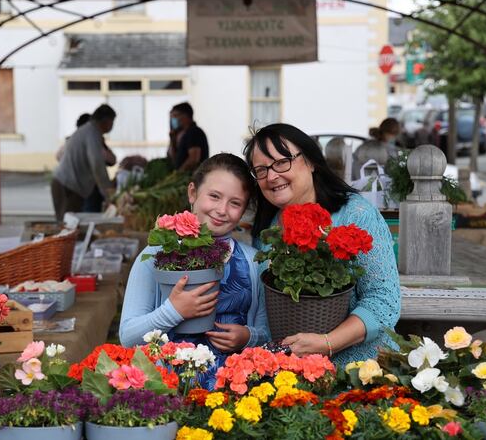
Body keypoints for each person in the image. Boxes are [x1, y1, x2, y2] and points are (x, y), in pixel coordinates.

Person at [244, 123, 400, 367]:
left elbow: (384, 302)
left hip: (361, 370)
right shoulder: (267, 229)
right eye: (261, 170)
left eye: (281, 162)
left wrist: (328, 343)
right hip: (290, 371)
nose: (272, 176)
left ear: (311, 161)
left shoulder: (356, 214)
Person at [119, 153, 270, 389]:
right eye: (214, 196)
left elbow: (267, 332)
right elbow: (128, 336)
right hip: (166, 392)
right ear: (193, 193)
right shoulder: (156, 255)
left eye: (235, 203)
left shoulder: (253, 262)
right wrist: (174, 311)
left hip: (234, 396)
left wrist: (248, 336)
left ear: (244, 210)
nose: (222, 210)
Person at [51, 104, 116, 221]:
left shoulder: (89, 131)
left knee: (68, 225)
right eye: (112, 122)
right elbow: (97, 165)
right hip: (67, 187)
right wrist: (109, 195)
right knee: (67, 227)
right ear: (107, 121)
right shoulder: (92, 133)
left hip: (68, 185)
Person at [168, 102, 209, 171]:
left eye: (175, 116)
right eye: (171, 117)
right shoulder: (179, 134)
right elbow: (174, 160)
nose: (172, 120)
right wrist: (172, 140)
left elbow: (194, 159)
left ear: (186, 116)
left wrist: (179, 174)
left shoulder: (194, 132)